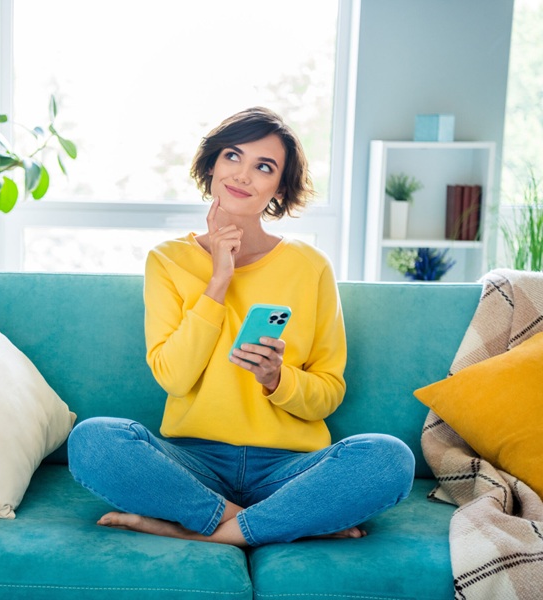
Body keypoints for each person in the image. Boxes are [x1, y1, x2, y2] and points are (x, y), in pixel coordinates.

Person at [68, 106, 415, 547]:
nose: (243, 175)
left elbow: (327, 394)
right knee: (93, 440)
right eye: (233, 156)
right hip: (194, 464)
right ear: (212, 164)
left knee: (389, 458)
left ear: (278, 188)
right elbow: (173, 377)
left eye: (263, 167)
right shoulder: (168, 261)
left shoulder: (310, 267)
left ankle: (203, 531)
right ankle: (263, 524)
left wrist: (277, 380)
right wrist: (219, 281)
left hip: (289, 468)